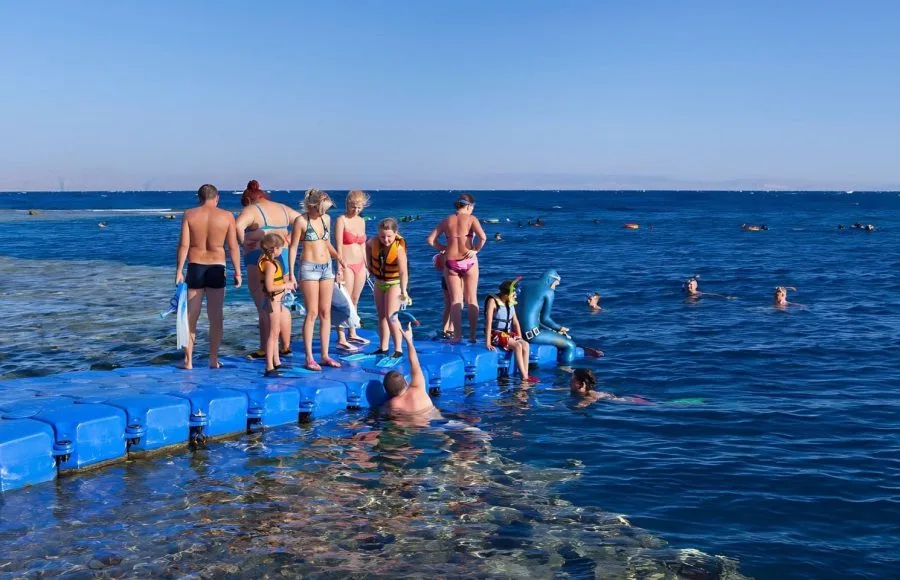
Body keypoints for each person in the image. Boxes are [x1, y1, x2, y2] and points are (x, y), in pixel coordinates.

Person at [174, 184, 242, 369]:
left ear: (199, 197)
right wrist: (237, 271)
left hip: (196, 267)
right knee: (215, 316)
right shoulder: (227, 216)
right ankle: (213, 359)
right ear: (217, 197)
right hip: (217, 267)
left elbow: (184, 246)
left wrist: (179, 270)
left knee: (191, 316)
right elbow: (233, 247)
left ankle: (188, 361)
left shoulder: (189, 214)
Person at [235, 180, 301, 359]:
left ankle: (265, 347)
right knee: (283, 303)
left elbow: (237, 226)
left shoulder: (251, 210)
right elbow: (302, 220)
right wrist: (289, 236)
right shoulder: (282, 208)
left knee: (263, 304)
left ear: (248, 200)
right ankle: (286, 346)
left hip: (259, 258)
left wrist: (244, 244)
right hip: (283, 257)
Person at [288, 188, 345, 371]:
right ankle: (309, 357)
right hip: (309, 268)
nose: (323, 212)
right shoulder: (301, 221)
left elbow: (327, 243)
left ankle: (325, 355)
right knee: (312, 313)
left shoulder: (326, 219)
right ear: (311, 206)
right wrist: (291, 274)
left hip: (327, 267)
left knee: (326, 312)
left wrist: (339, 259)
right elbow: (293, 247)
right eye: (320, 209)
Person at [426, 193, 487, 344]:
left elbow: (430, 240)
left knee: (455, 301)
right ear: (468, 206)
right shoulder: (472, 219)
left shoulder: (447, 220)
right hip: (469, 260)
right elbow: (483, 237)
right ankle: (472, 336)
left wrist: (444, 249)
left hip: (451, 261)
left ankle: (457, 336)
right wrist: (476, 250)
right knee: (471, 299)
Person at [516, 270, 603, 364]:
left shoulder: (524, 286)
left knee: (554, 333)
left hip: (518, 333)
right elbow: (545, 319)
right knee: (570, 345)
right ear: (550, 279)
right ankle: (565, 372)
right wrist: (560, 328)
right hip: (532, 336)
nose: (554, 288)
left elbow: (531, 317)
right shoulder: (548, 291)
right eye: (555, 284)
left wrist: (555, 330)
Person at [380, 319, 437, 427]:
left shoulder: (394, 404)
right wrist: (409, 340)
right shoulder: (418, 388)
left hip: (416, 427)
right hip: (435, 420)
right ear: (406, 382)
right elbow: (415, 363)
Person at [334, 190, 371, 350]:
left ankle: (353, 332)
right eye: (353, 207)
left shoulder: (361, 221)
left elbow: (363, 244)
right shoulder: (341, 220)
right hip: (346, 264)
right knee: (345, 301)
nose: (355, 210)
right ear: (347, 203)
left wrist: (367, 264)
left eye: (359, 207)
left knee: (355, 299)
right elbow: (338, 246)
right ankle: (341, 337)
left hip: (360, 264)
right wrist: (339, 267)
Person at [367, 218, 409, 357]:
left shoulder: (398, 248)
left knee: (391, 317)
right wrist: (368, 265)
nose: (385, 239)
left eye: (389, 236)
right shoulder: (373, 242)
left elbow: (403, 272)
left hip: (394, 283)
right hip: (379, 282)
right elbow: (366, 246)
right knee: (381, 316)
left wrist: (404, 291)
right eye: (382, 236)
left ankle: (398, 349)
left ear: (395, 233)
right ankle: (383, 347)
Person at [484, 278, 538, 383]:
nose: (515, 296)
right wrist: (488, 343)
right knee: (517, 346)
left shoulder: (510, 303)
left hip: (507, 334)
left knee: (525, 344)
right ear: (505, 295)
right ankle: (524, 377)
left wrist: (520, 338)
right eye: (513, 293)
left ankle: (526, 373)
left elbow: (515, 323)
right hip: (495, 334)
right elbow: (488, 323)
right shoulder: (493, 302)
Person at [258, 234, 289, 377]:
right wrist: (286, 285)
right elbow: (270, 287)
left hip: (274, 301)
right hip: (272, 301)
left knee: (275, 333)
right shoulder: (270, 265)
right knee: (273, 334)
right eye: (281, 247)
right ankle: (269, 367)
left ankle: (276, 362)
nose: (282, 250)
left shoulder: (266, 261)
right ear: (275, 248)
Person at [569, 368, 648, 407]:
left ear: (581, 384)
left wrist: (577, 407)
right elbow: (565, 389)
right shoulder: (585, 390)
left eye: (572, 380)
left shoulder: (590, 394)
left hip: (630, 401)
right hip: (630, 398)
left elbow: (588, 401)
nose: (570, 381)